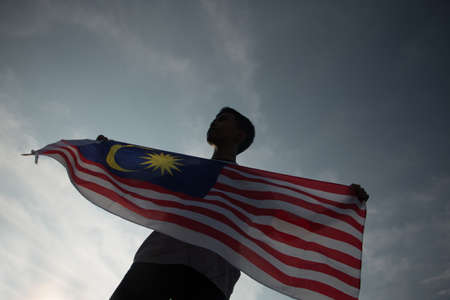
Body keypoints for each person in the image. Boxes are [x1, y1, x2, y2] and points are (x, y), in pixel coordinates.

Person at [103, 107, 369, 299]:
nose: (215, 122)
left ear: (239, 135)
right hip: (156, 261)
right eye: (216, 118)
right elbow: (139, 171)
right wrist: (106, 153)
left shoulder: (251, 186)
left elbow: (296, 218)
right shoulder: (185, 168)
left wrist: (342, 204)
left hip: (210, 277)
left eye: (223, 119)